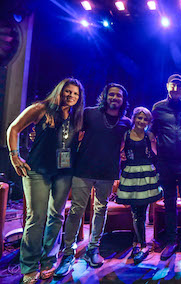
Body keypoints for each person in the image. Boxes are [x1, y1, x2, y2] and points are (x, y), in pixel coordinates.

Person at [7, 78, 85, 284]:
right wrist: (14, 156)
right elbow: (13, 129)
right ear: (60, 90)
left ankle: (49, 261)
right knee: (36, 217)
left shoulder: (77, 115)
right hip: (37, 171)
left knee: (56, 217)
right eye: (68, 91)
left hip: (64, 172)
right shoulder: (41, 108)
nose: (71, 96)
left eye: (75, 94)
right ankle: (30, 265)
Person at [55, 83, 131, 277]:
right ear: (105, 96)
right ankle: (68, 253)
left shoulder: (125, 122)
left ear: (123, 100)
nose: (115, 98)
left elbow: (127, 144)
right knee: (76, 211)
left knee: (100, 210)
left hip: (107, 173)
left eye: (118, 96)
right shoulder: (89, 113)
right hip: (84, 170)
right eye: (111, 95)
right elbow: (71, 133)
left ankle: (93, 248)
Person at [149, 74, 181, 260]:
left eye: (179, 85)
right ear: (167, 86)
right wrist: (158, 155)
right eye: (173, 85)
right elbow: (151, 134)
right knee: (169, 202)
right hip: (166, 163)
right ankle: (170, 240)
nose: (176, 88)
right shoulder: (158, 108)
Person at [116, 107, 162, 264]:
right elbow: (118, 151)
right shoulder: (126, 135)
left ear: (149, 122)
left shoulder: (149, 136)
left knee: (142, 210)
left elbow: (156, 154)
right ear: (134, 118)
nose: (142, 121)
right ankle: (140, 244)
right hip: (131, 175)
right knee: (136, 212)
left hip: (147, 175)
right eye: (139, 118)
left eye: (145, 119)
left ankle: (139, 243)